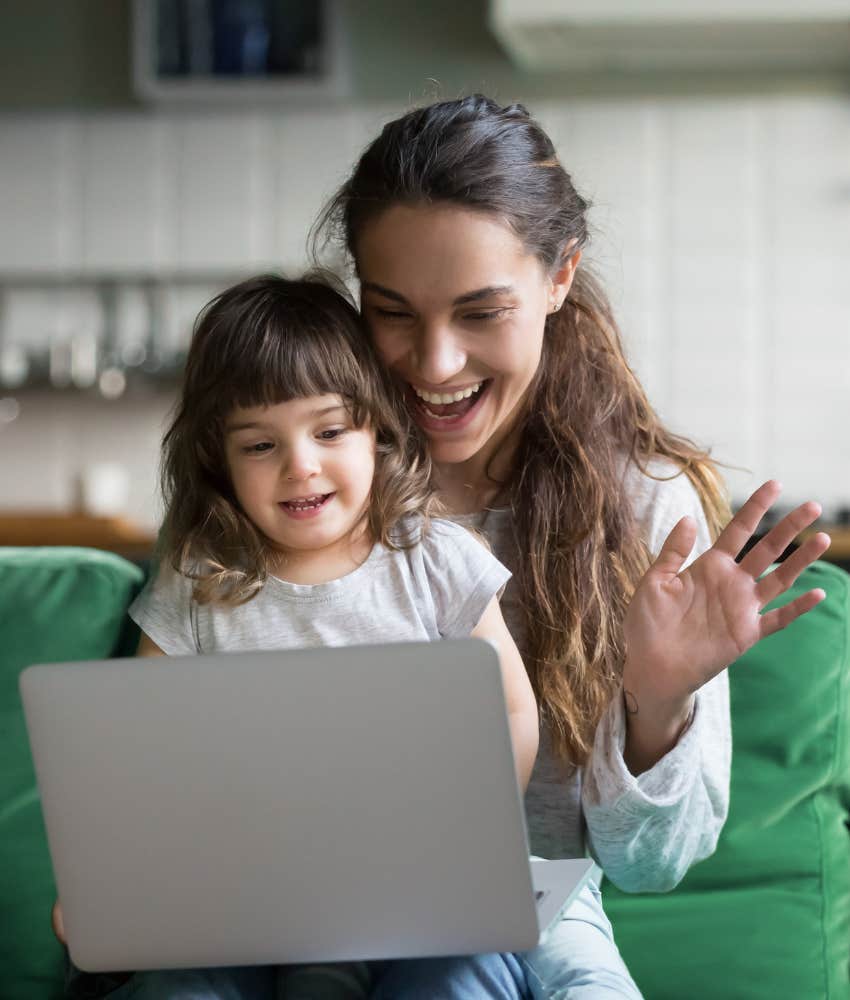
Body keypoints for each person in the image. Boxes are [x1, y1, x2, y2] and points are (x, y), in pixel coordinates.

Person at [306, 93, 832, 999]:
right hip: (318, 922)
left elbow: (649, 868)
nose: (434, 365)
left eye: (480, 313)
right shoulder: (309, 491)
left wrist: (656, 702)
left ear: (560, 277)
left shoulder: (643, 507)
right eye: (393, 312)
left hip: (521, 935)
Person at [53, 273, 539, 1000]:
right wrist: (114, 881)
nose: (300, 465)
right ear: (220, 461)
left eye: (330, 430)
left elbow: (510, 710)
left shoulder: (434, 559)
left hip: (409, 893)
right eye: (259, 445)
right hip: (238, 900)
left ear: (377, 428)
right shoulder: (198, 580)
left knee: (460, 981)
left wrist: (476, 829)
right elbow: (140, 753)